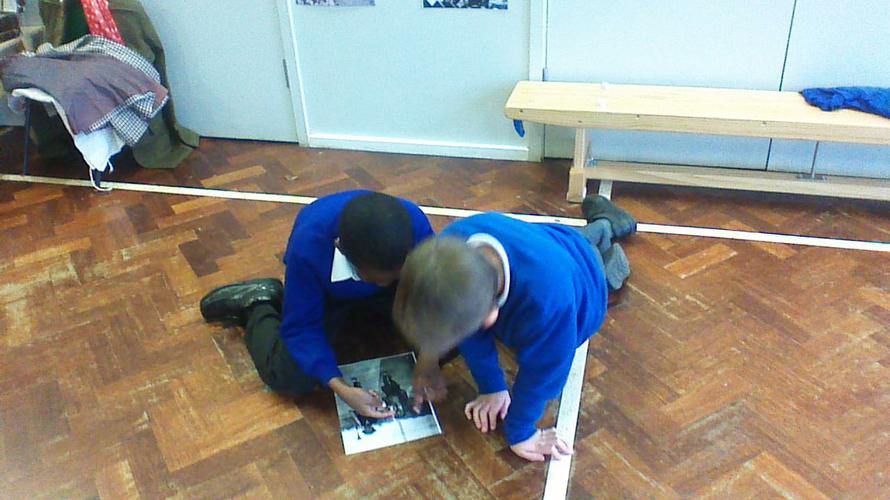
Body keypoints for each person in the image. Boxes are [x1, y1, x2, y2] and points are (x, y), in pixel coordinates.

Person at [393, 195, 635, 462]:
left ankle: (611, 254)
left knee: (602, 272)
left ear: (490, 318)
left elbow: (544, 374)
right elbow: (469, 331)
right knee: (577, 244)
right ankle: (604, 225)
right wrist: (491, 386)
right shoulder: (451, 243)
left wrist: (521, 431)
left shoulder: (549, 306)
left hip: (585, 287)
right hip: (552, 240)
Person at [199, 190, 434, 421]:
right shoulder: (309, 246)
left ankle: (374, 299)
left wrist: (429, 358)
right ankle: (258, 302)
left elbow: (437, 296)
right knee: (289, 375)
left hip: (393, 292)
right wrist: (342, 389)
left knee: (446, 344)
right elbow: (301, 328)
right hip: (331, 296)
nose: (382, 283)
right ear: (340, 248)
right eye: (371, 277)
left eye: (393, 275)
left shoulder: (416, 228)